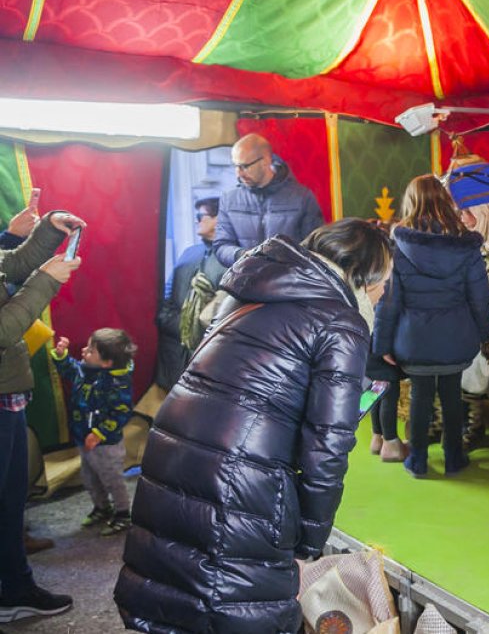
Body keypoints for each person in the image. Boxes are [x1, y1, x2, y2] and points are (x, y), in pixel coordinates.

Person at [114, 218, 392, 633]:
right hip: (239, 479)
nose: (385, 292)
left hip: (173, 456)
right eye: (383, 281)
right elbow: (326, 448)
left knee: (171, 583)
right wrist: (309, 541)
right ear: (360, 278)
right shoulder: (339, 322)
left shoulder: (252, 289)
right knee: (234, 603)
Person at [373, 175, 489, 478]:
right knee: (452, 396)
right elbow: (480, 296)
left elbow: (389, 300)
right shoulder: (466, 244)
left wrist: (382, 344)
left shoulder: (399, 243)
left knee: (420, 398)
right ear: (444, 199)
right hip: (456, 335)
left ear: (410, 201)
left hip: (413, 338)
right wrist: (483, 333)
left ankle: (419, 460)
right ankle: (454, 458)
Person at [0, 210, 84, 624]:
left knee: (11, 498)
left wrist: (49, 229)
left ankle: (15, 586)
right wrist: (48, 279)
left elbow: (9, 263)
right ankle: (12, 590)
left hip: (6, 390)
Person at [50, 329, 136, 536]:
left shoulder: (116, 384)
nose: (84, 351)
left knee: (111, 478)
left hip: (105, 445)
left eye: (90, 350)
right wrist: (62, 357)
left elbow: (121, 413)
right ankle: (102, 507)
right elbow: (73, 370)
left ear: (106, 363)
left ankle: (123, 513)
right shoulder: (89, 370)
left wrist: (98, 433)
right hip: (83, 437)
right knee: (89, 477)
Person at [212, 133, 325, 267]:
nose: (239, 173)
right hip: (247, 282)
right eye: (236, 166)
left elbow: (315, 248)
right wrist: (241, 255)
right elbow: (221, 246)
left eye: (244, 166)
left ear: (265, 161)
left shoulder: (302, 197)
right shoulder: (229, 199)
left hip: (290, 283)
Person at [153, 197, 226, 391]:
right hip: (174, 347)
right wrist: (174, 324)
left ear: (219, 219)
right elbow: (168, 295)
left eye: (201, 216)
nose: (197, 220)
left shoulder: (230, 259)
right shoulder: (189, 253)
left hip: (208, 353)